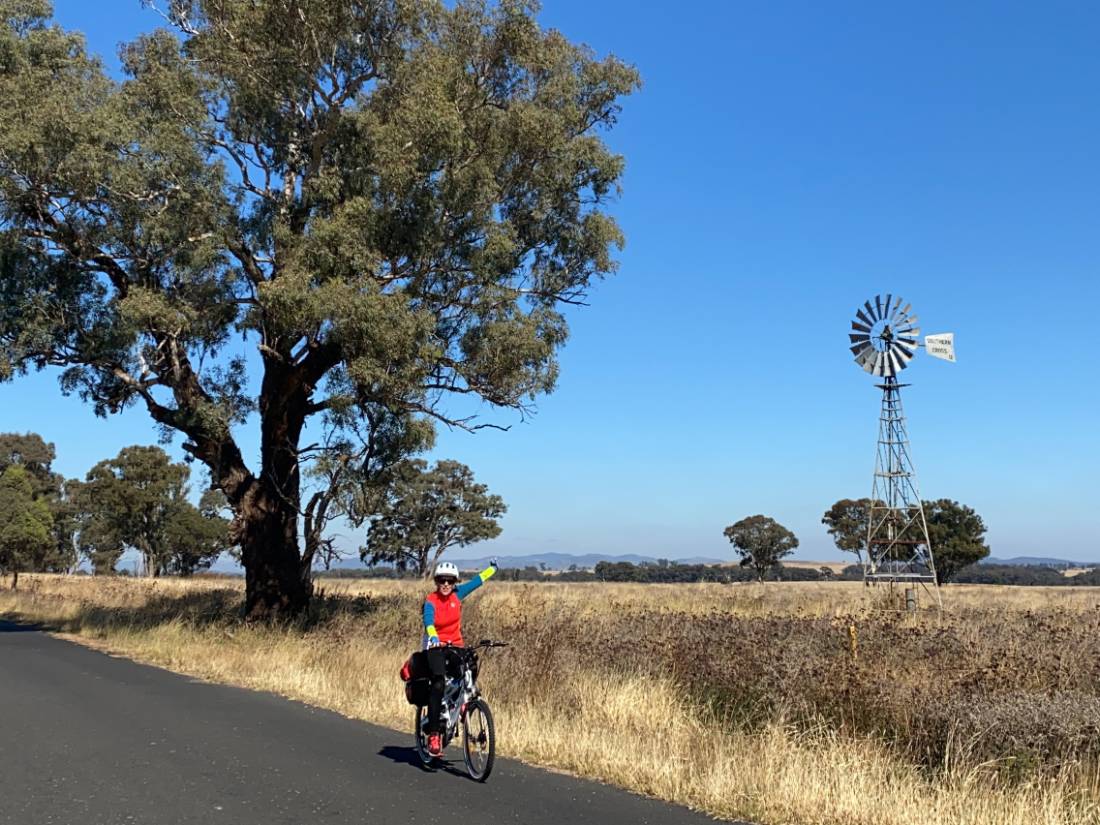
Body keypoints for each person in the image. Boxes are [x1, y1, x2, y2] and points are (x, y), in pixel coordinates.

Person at [420, 558, 497, 757]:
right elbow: (428, 620)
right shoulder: (431, 600)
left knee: (470, 664)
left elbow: (477, 581)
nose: (446, 584)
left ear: (455, 583)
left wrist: (492, 569)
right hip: (434, 647)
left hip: (455, 645)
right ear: (436, 582)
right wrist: (433, 634)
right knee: (437, 682)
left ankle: (462, 703)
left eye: (450, 581)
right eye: (442, 580)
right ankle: (434, 734)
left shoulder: (457, 595)